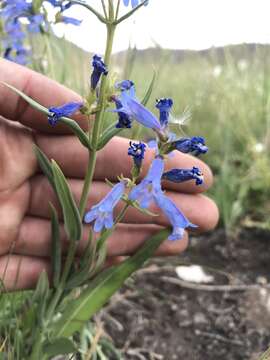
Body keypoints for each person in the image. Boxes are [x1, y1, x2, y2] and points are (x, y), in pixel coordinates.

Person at [0, 58, 219, 290]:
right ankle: (110, 216)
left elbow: (144, 129)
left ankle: (167, 220)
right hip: (135, 178)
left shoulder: (158, 156)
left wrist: (148, 182)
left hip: (147, 171)